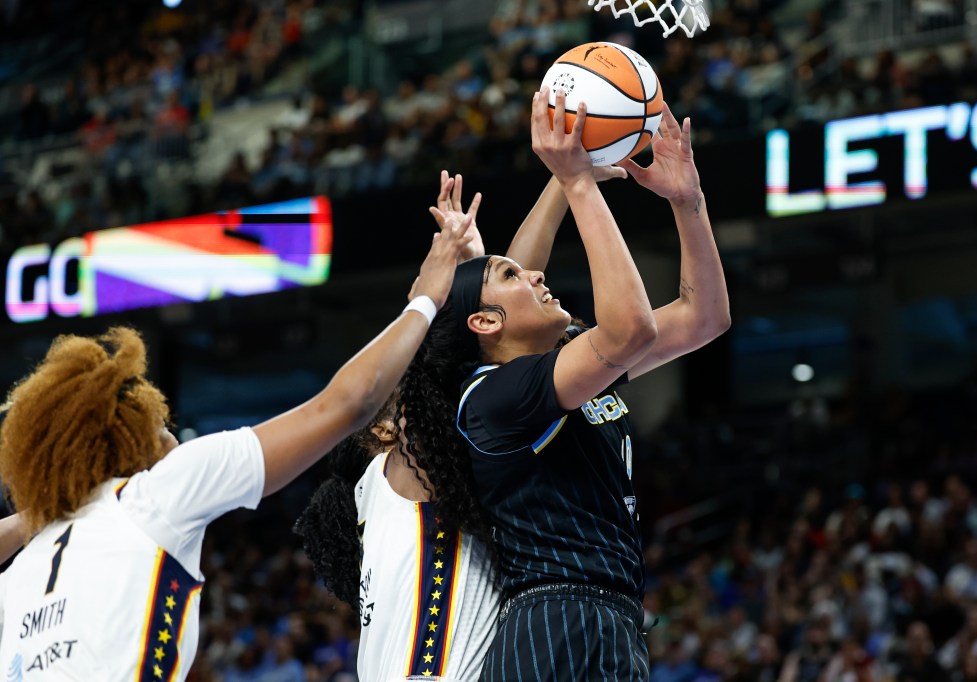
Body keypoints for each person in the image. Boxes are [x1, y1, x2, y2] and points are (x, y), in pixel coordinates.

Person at [0, 209, 474, 680]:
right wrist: (425, 300)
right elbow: (347, 405)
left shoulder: (21, 574)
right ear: (128, 439)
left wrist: (48, 510)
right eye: (161, 422)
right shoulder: (155, 495)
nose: (172, 432)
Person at [405, 87, 729, 680]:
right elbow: (630, 329)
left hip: (612, 616)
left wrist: (689, 202)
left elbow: (703, 318)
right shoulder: (493, 398)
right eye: (511, 277)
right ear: (484, 322)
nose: (534, 273)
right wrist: (575, 182)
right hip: (555, 616)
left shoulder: (560, 363)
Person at [296, 161, 627, 681]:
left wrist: (555, 189)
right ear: (384, 430)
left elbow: (508, 325)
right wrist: (439, 289)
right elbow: (492, 330)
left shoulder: (389, 489)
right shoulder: (410, 462)